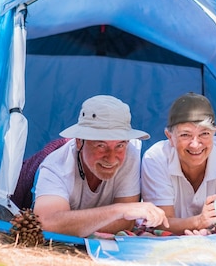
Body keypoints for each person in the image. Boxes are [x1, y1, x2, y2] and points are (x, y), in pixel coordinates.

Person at [33, 95, 169, 237]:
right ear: (79, 141)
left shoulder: (131, 152)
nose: (111, 158)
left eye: (120, 145)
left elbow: (126, 222)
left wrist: (72, 224)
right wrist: (119, 210)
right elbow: (47, 223)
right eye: (101, 145)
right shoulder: (56, 165)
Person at [141, 92, 216, 235]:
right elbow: (162, 223)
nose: (195, 144)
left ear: (214, 133)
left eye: (204, 134)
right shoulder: (156, 158)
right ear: (170, 137)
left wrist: (207, 230)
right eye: (185, 135)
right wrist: (199, 222)